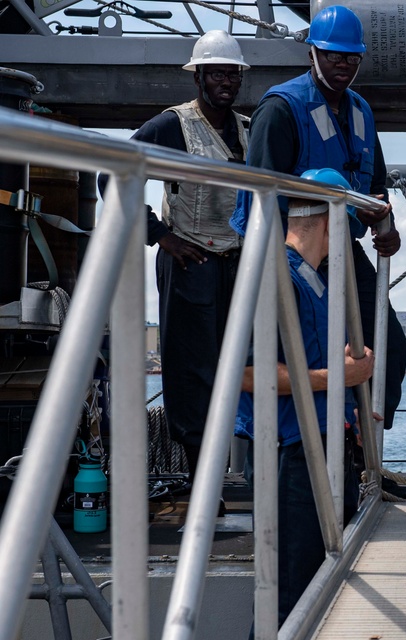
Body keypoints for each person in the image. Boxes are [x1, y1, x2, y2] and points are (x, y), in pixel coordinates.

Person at [228, 4, 406, 429]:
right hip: (290, 257)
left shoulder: (361, 112)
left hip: (342, 249)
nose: (342, 65)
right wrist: (271, 269)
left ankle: (367, 454)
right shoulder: (282, 108)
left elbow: (374, 189)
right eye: (332, 55)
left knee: (389, 347)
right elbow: (261, 197)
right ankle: (310, 456)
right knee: (304, 353)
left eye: (350, 57)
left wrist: (387, 227)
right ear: (312, 54)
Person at [235, 168, 375, 640]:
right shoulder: (277, 278)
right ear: (329, 223)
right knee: (287, 595)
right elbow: (250, 373)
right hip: (291, 455)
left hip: (322, 449)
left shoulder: (317, 282)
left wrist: (349, 399)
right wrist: (336, 378)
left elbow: (317, 365)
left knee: (316, 586)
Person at [107, 30, 250, 484]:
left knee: (245, 363)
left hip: (237, 262)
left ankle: (249, 470)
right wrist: (159, 235)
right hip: (191, 262)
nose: (226, 82)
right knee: (191, 372)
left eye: (233, 73)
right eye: (217, 73)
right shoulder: (173, 125)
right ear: (199, 77)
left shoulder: (248, 129)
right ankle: (200, 480)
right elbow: (116, 175)